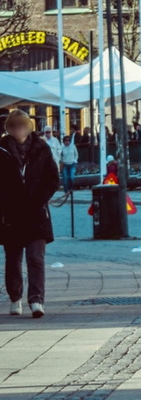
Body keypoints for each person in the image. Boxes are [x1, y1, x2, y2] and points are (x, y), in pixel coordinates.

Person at [1, 108, 58, 318]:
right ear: (9, 128)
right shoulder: (2, 150)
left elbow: (53, 178)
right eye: (14, 126)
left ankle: (36, 300)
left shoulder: (41, 148)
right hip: (12, 214)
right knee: (13, 259)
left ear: (29, 127)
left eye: (23, 125)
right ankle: (15, 297)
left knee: (36, 258)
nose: (19, 129)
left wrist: (39, 198)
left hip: (36, 213)